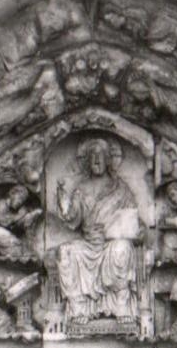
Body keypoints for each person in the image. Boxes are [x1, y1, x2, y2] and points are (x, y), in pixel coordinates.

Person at [55, 137, 142, 323]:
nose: (96, 160)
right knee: (67, 251)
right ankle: (79, 310)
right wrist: (63, 202)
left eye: (101, 156)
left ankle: (121, 307)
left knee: (122, 248)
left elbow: (133, 221)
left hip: (110, 244)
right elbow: (73, 220)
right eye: (92, 156)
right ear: (86, 161)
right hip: (89, 243)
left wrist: (118, 229)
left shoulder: (121, 189)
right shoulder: (81, 189)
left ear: (109, 160)